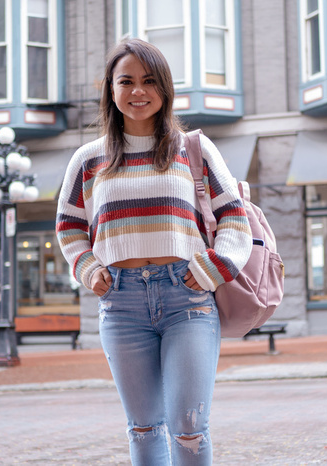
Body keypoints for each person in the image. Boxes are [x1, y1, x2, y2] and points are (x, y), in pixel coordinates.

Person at [56, 38, 252, 465]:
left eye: (149, 81)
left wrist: (214, 267)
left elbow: (235, 217)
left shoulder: (192, 149)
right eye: (126, 81)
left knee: (188, 428)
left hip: (188, 300)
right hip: (121, 303)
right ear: (111, 89)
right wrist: (88, 269)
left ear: (164, 89)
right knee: (143, 428)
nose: (137, 91)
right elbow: (69, 227)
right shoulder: (89, 160)